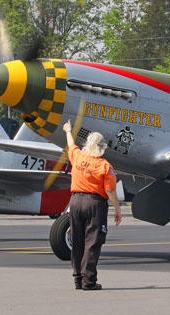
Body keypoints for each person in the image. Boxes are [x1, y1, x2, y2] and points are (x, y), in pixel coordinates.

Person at [63, 119, 122, 291]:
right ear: (102, 147)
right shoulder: (104, 166)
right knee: (92, 242)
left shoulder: (77, 157)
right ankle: (89, 281)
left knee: (77, 240)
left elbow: (71, 145)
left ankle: (77, 278)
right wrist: (117, 209)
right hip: (94, 204)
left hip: (75, 202)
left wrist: (68, 130)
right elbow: (110, 191)